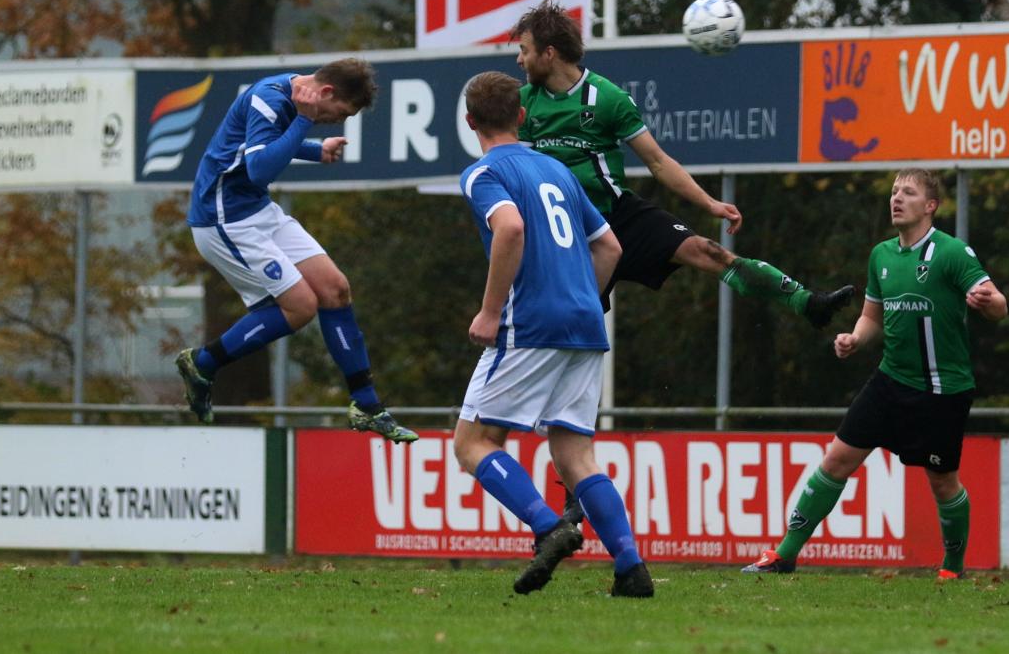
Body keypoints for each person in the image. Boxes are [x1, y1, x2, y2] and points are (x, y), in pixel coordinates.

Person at [511, 0, 856, 327]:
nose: (519, 60)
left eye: (524, 50)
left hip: (618, 215)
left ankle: (808, 303)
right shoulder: (523, 102)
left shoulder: (608, 99)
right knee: (569, 326)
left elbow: (659, 163)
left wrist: (710, 204)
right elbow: (520, 173)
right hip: (564, 229)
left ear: (550, 53)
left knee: (707, 251)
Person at [743, 168, 1007, 579]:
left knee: (942, 483)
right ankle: (785, 555)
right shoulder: (881, 255)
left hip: (942, 390)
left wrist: (987, 300)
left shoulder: (953, 253)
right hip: (889, 382)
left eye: (908, 192)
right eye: (894, 191)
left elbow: (999, 306)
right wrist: (854, 338)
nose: (897, 198)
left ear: (931, 206)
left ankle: (953, 568)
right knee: (835, 462)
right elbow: (872, 317)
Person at [452, 70, 652, 598]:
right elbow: (609, 247)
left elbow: (511, 228)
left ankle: (549, 526)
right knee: (575, 455)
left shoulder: (482, 174)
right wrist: (583, 298)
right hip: (586, 323)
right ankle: (630, 568)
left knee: (472, 443)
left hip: (530, 325)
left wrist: (491, 311)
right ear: (521, 116)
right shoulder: (559, 171)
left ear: (471, 122)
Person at [174, 59, 417, 443]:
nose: (333, 121)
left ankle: (367, 406)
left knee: (335, 289)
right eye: (337, 113)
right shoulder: (270, 99)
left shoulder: (292, 91)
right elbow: (258, 168)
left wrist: (314, 149)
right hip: (222, 219)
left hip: (254, 209)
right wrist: (304, 124)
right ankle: (202, 363)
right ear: (325, 92)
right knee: (301, 306)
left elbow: (263, 149)